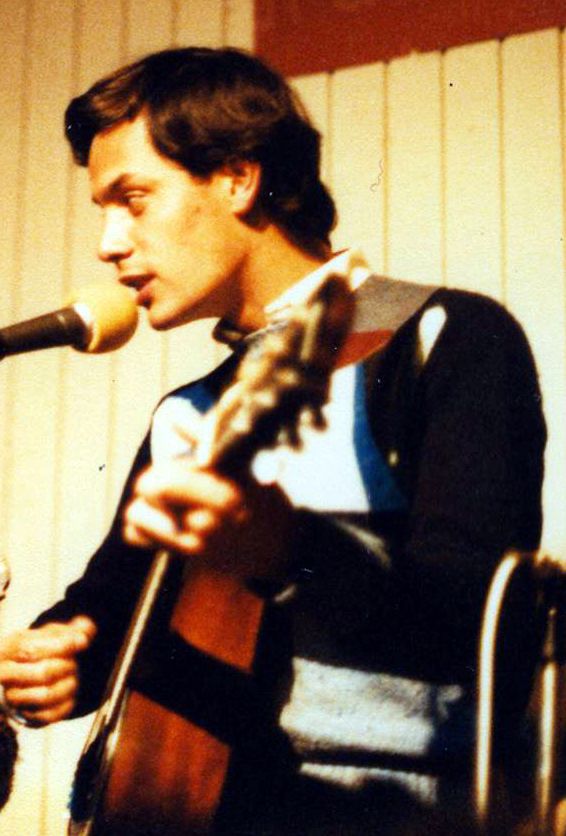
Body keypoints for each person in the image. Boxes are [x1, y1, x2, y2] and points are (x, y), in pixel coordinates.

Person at [0, 47, 546, 833]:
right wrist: (60, 660)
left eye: (133, 199)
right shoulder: (188, 412)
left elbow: (483, 621)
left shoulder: (444, 337)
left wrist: (291, 549)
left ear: (237, 178)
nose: (107, 244)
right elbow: (112, 609)